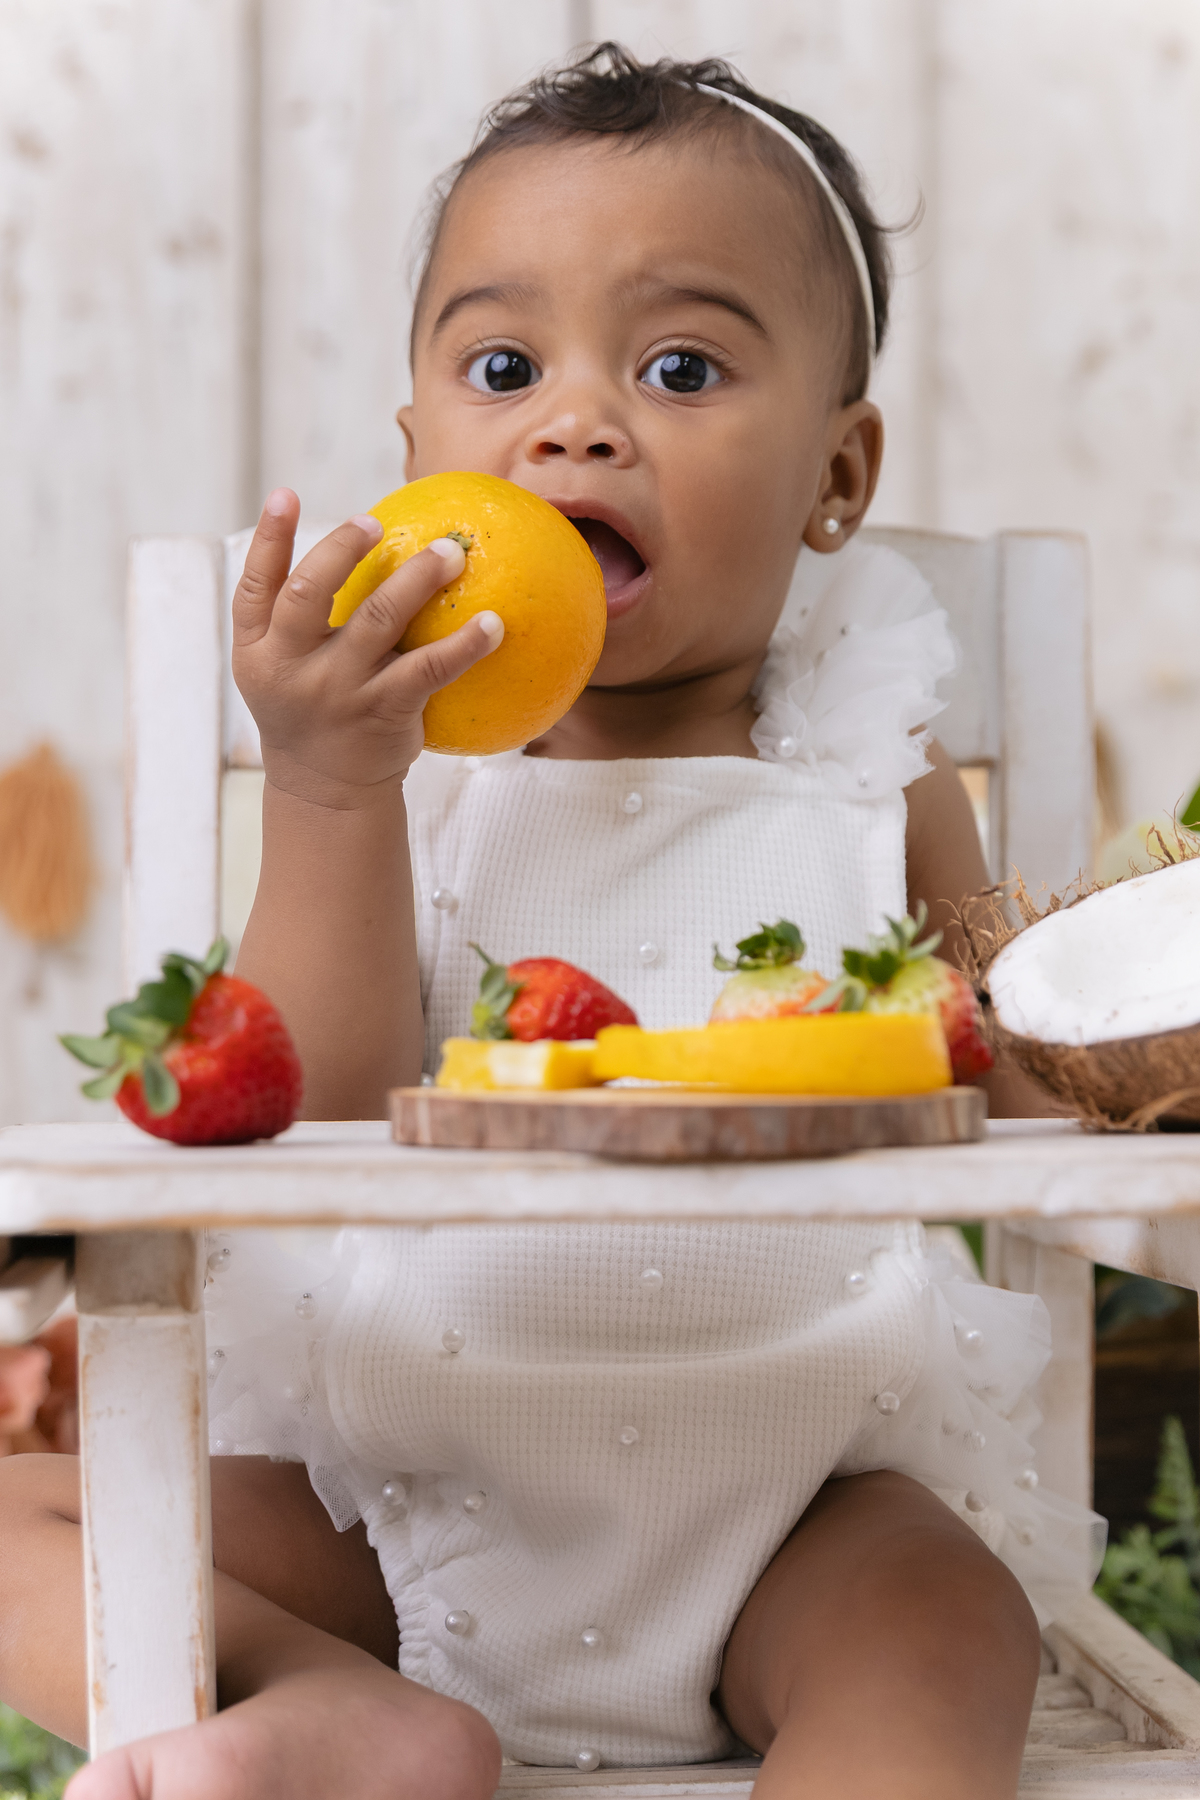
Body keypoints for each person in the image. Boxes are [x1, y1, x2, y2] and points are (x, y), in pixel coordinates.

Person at [0, 45, 1103, 1800]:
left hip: (792, 1498)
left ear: (838, 472)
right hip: (397, 1501)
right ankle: (337, 1706)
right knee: (20, 1504)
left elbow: (1023, 1067)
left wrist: (1125, 1056)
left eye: (679, 367)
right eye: (503, 367)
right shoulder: (405, 770)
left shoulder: (868, 774)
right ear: (420, 447)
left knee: (948, 1627)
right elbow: (318, 1095)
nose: (574, 424)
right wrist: (331, 788)